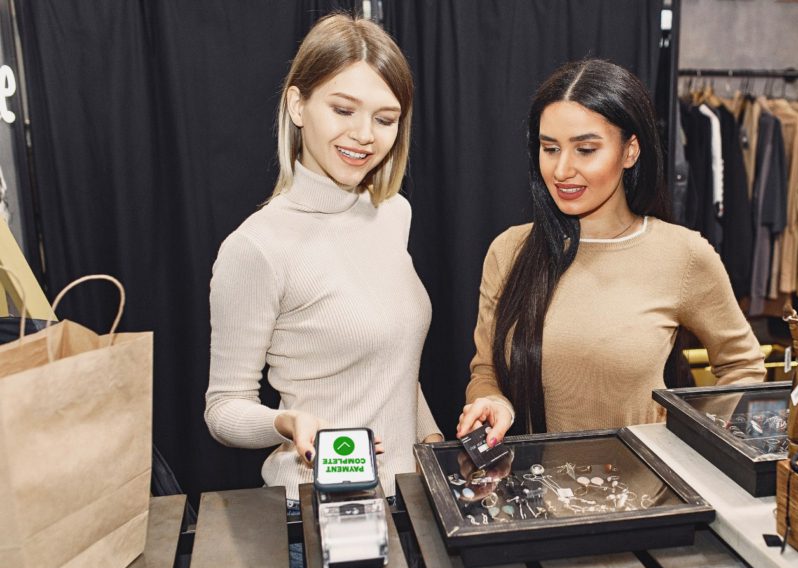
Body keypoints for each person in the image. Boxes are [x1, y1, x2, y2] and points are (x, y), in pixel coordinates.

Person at [457, 59, 766, 445]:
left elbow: (742, 365)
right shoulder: (510, 251)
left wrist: (695, 444)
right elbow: (485, 369)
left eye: (585, 149)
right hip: (531, 495)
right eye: (549, 148)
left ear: (630, 151)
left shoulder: (681, 253)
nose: (562, 169)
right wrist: (491, 400)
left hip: (644, 497)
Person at [205, 13, 442, 515]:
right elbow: (223, 408)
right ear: (297, 104)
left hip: (411, 507)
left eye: (384, 118)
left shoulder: (393, 214)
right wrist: (285, 423)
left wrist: (434, 445)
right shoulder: (256, 247)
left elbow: (394, 365)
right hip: (315, 514)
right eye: (342, 109)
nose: (364, 135)